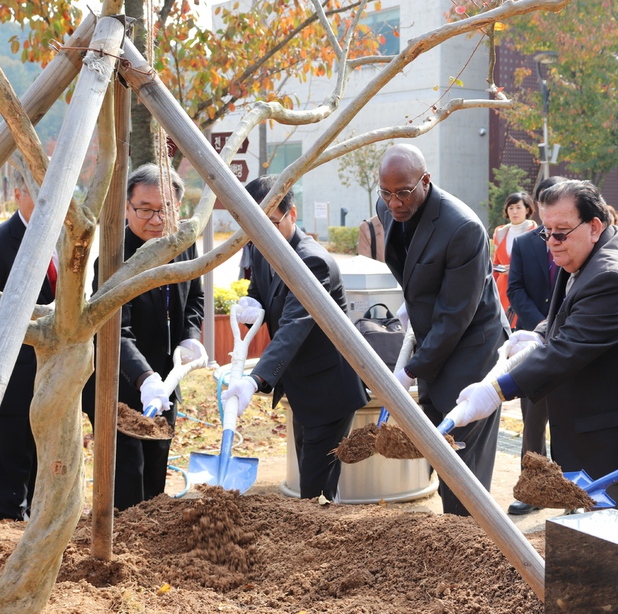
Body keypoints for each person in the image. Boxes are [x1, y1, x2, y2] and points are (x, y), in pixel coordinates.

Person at [446, 180, 618, 518]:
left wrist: (496, 392)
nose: (551, 243)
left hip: (616, 438)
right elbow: (570, 312)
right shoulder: (593, 248)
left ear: (594, 226)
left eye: (561, 233)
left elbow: (568, 349)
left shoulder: (613, 275)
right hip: (597, 428)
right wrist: (538, 333)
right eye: (546, 232)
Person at [376, 144, 508, 517]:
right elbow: (411, 263)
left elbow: (455, 316)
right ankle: (455, 527)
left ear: (425, 181)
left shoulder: (462, 228)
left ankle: (470, 538)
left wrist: (410, 370)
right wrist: (415, 302)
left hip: (471, 349)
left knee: (462, 461)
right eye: (386, 193)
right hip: (435, 335)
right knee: (437, 451)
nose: (394, 202)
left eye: (403, 192)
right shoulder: (387, 206)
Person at [222, 176, 368, 501]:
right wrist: (252, 303)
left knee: (315, 491)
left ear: (292, 213)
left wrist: (255, 380)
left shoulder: (313, 262)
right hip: (303, 389)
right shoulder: (264, 247)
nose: (263, 232)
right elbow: (259, 289)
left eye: (272, 222)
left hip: (328, 391)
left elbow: (294, 326)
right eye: (255, 225)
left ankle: (325, 546)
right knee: (311, 481)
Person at [83, 163, 206, 510]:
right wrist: (144, 377)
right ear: (126, 207)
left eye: (163, 209)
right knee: (127, 475)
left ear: (177, 207)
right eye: (144, 209)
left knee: (156, 469)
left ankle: (151, 550)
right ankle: (119, 550)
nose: (154, 219)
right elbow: (113, 327)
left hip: (166, 380)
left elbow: (194, 296)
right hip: (119, 384)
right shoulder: (114, 256)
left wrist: (190, 337)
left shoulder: (182, 243)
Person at [505, 176, 562, 516]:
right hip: (535, 342)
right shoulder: (525, 244)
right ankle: (533, 490)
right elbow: (515, 289)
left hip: (573, 341)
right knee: (533, 419)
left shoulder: (582, 242)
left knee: (571, 420)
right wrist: (542, 325)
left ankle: (573, 492)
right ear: (537, 205)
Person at [0, 173, 56, 520]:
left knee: (47, 457)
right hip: (14, 372)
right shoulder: (2, 241)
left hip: (53, 371)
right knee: (11, 458)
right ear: (18, 193)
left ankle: (41, 517)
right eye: (38, 194)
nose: (48, 204)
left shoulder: (65, 235)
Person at [492, 191, 537, 328]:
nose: (514, 212)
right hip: (502, 287)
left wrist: (515, 270)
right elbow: (495, 262)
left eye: (518, 207)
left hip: (523, 288)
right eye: (511, 208)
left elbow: (536, 264)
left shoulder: (535, 232)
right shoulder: (500, 232)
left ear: (527, 209)